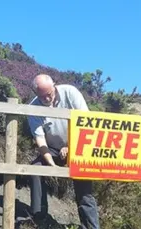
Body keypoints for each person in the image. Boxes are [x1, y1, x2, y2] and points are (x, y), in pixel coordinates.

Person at [26, 74, 100, 229]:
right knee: (35, 169)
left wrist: (72, 147)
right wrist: (51, 164)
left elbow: (87, 124)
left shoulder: (70, 93)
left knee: (84, 188)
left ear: (54, 85)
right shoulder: (33, 107)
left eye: (49, 95)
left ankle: (90, 226)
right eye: (42, 96)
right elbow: (40, 140)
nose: (46, 99)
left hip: (78, 145)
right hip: (52, 148)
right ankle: (40, 219)